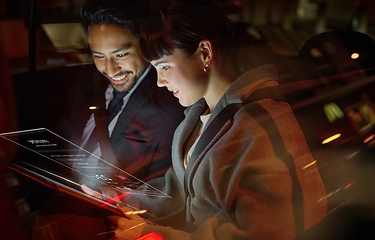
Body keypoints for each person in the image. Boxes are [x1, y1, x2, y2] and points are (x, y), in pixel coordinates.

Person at [85, 0, 328, 239]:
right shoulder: (196, 120)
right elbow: (180, 188)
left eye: (165, 67)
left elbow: (262, 231)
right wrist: (115, 198)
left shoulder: (259, 125)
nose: (160, 81)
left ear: (204, 53)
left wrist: (150, 234)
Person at [32, 0, 185, 239]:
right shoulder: (87, 82)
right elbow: (64, 143)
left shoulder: (167, 105)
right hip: (60, 203)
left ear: (143, 44)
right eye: (99, 56)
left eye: (121, 54)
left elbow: (158, 191)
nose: (110, 69)